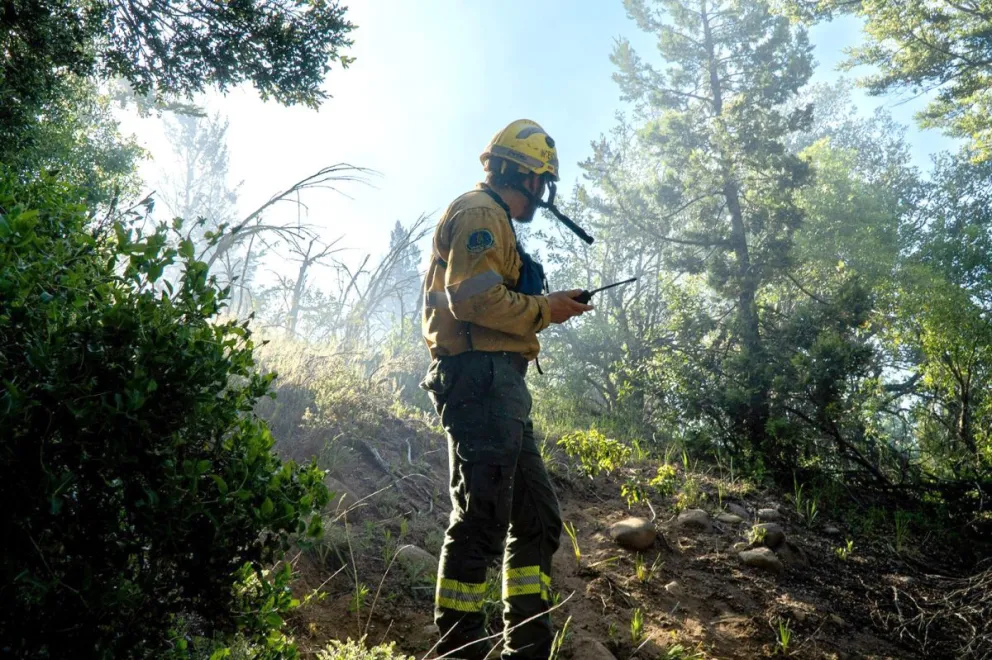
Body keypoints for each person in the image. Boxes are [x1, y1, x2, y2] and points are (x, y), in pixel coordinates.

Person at [420, 119, 592, 660]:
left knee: (537, 520)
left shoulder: (492, 218)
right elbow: (471, 301)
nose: (543, 194)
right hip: (479, 381)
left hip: (501, 385)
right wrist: (545, 308)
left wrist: (548, 306)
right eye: (542, 182)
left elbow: (487, 300)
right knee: (481, 519)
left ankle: (528, 649)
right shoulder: (481, 213)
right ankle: (459, 650)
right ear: (526, 176)